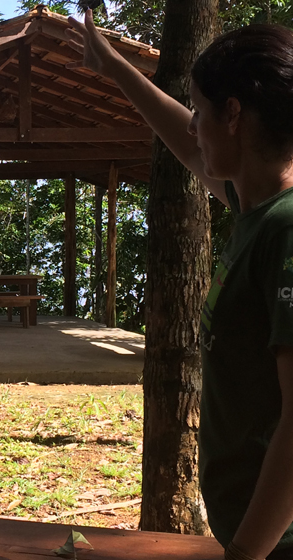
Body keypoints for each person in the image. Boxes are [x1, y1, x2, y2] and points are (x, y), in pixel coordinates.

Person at [67, 11, 293, 560]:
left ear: (233, 113)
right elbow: (189, 149)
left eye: (198, 110)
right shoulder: (256, 208)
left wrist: (247, 553)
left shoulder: (285, 229)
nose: (192, 125)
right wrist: (114, 67)